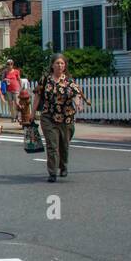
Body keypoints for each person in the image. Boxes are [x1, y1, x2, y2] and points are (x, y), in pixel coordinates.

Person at [34, 53, 88, 182]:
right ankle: (52, 172)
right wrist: (32, 113)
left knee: (64, 145)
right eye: (57, 63)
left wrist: (78, 104)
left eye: (62, 63)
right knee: (52, 145)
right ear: (52, 65)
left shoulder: (69, 81)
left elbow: (76, 95)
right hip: (48, 116)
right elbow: (37, 96)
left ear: (65, 66)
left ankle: (63, 166)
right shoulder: (45, 80)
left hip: (66, 118)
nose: (59, 65)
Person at [1, 59, 22, 123]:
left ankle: (18, 116)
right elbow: (2, 80)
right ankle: (13, 117)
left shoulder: (16, 71)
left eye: (11, 64)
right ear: (6, 65)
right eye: (8, 64)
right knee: (10, 104)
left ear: (13, 65)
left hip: (16, 89)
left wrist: (20, 88)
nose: (9, 65)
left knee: (17, 103)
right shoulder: (5, 72)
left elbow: (19, 79)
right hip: (8, 90)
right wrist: (5, 79)